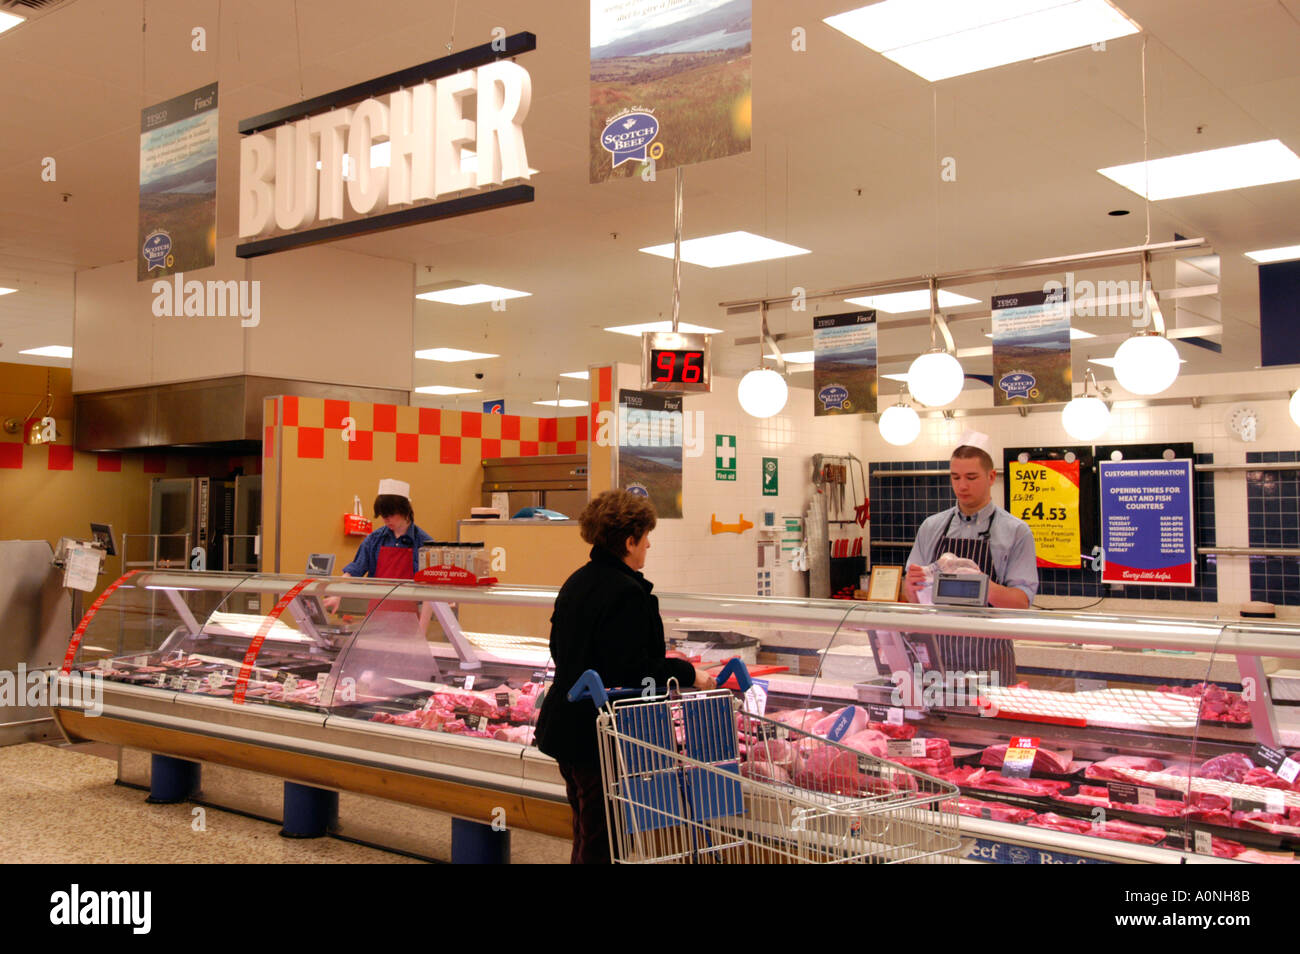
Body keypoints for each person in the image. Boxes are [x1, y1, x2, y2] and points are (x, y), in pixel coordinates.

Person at [534, 489, 714, 864]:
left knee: (588, 830)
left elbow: (563, 652)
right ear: (629, 541)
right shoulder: (626, 593)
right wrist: (690, 673)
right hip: (600, 734)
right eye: (645, 536)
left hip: (568, 726)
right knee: (605, 840)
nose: (649, 544)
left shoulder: (578, 581)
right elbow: (635, 669)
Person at [902, 431, 1038, 684]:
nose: (962, 486)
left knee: (986, 724)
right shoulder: (932, 527)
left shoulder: (1016, 531)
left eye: (971, 477)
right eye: (955, 477)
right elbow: (911, 596)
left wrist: (980, 585)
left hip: (989, 660)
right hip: (936, 657)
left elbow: (1021, 603)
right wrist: (910, 586)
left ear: (991, 477)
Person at [323, 479, 433, 620]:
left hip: (409, 621)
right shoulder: (374, 540)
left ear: (405, 510)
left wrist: (421, 632)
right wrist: (337, 594)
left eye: (391, 515)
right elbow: (353, 571)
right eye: (383, 516)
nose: (386, 521)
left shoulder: (423, 543)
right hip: (375, 617)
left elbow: (430, 593)